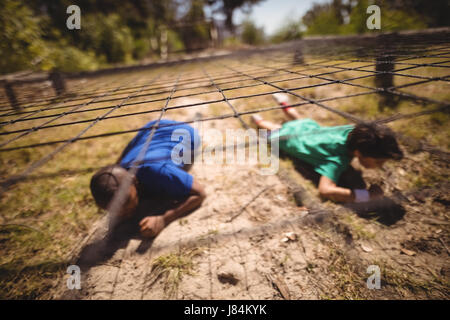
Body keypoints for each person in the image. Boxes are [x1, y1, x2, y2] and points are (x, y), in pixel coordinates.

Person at [251, 93, 404, 203]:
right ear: (358, 152)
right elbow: (325, 190)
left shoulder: (351, 131)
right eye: (378, 162)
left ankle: (284, 103)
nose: (380, 165)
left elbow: (371, 132)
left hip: (309, 128)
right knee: (275, 129)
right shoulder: (337, 160)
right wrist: (366, 196)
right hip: (290, 139)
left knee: (298, 120)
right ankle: (258, 120)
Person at [90, 119, 206, 238]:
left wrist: (163, 219)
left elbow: (199, 193)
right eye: (114, 209)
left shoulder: (159, 172)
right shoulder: (121, 169)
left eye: (128, 201)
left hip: (182, 131)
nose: (123, 212)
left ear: (134, 180)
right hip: (150, 128)